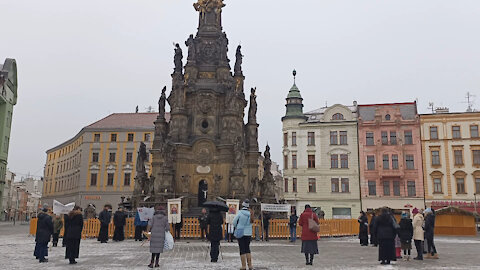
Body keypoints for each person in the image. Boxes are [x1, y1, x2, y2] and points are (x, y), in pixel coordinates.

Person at [233, 199, 254, 270]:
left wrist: (237, 226)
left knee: (242, 249)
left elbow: (234, 221)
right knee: (247, 248)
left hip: (241, 232)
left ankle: (244, 266)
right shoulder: (251, 213)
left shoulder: (240, 212)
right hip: (248, 233)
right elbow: (251, 223)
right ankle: (250, 265)